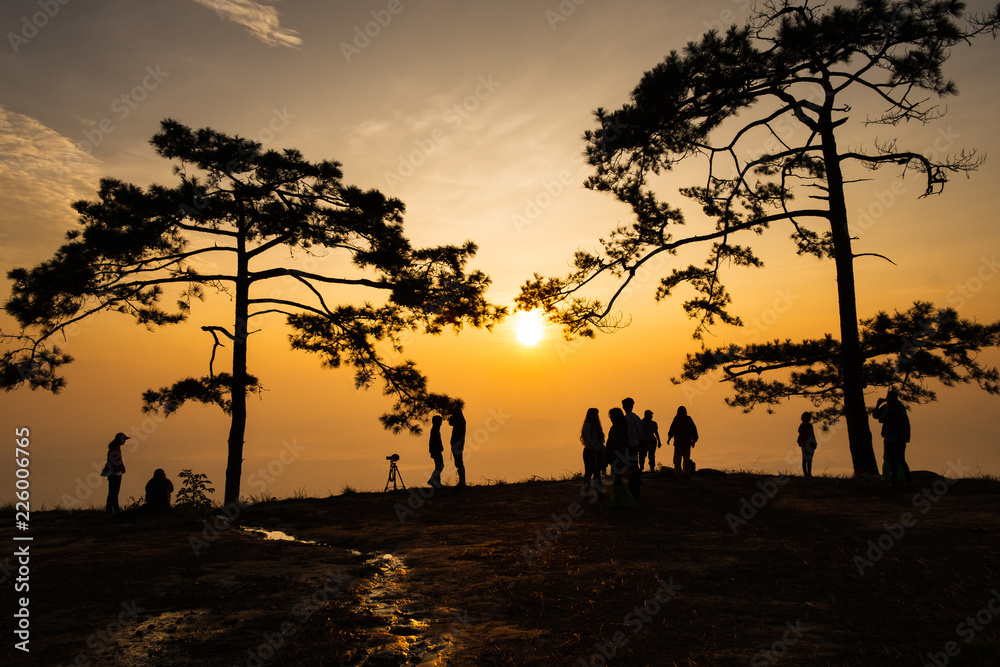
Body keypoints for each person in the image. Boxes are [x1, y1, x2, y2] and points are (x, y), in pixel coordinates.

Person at [873, 389, 912, 487]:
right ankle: (908, 481)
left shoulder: (891, 410)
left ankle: (894, 482)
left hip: (891, 438)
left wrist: (878, 405)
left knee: (893, 460)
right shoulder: (901, 408)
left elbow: (880, 419)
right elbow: (876, 416)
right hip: (901, 439)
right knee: (901, 460)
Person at [605, 408, 634, 508]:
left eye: (612, 416)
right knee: (615, 479)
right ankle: (618, 501)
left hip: (618, 457)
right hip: (615, 456)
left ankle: (627, 500)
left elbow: (622, 445)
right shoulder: (616, 428)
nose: (611, 418)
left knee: (617, 480)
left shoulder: (620, 429)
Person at [100, 432, 129, 513]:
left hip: (115, 473)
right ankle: (110, 510)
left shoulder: (115, 448)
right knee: (113, 492)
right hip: (114, 473)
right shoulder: (114, 449)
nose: (125, 441)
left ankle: (115, 509)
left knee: (114, 492)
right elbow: (113, 462)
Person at [667, 407, 699, 478]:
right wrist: (694, 441)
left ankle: (678, 474)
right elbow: (694, 430)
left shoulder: (677, 419)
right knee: (686, 459)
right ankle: (686, 474)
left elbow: (672, 429)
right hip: (687, 443)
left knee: (677, 460)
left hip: (678, 443)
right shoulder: (688, 419)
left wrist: (669, 438)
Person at [621, 398, 643, 499]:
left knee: (631, 468)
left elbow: (625, 434)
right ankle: (636, 489)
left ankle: (633, 490)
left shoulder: (626, 418)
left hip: (630, 446)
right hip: (637, 444)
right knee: (635, 466)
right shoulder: (637, 417)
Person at [580, 408, 605, 492]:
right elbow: (589, 439)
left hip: (596, 451)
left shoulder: (595, 426)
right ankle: (586, 492)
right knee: (589, 472)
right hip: (590, 452)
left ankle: (598, 491)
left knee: (597, 472)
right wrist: (596, 449)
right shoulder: (587, 425)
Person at [449, 406, 467, 488]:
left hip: (457, 444)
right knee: (458, 462)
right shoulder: (461, 420)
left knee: (459, 462)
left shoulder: (459, 421)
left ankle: (462, 482)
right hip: (458, 443)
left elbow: (451, 422)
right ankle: (462, 481)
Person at [797, 412, 817, 478]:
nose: (809, 418)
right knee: (805, 459)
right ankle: (805, 475)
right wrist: (803, 445)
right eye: (807, 417)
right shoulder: (802, 426)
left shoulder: (810, 426)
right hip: (804, 443)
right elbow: (801, 437)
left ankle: (809, 474)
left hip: (810, 443)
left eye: (809, 417)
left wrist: (814, 442)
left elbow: (812, 434)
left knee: (810, 459)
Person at [428, 415, 445, 489]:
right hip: (436, 451)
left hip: (436, 450)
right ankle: (432, 480)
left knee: (438, 466)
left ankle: (438, 483)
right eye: (440, 422)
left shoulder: (435, 429)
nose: (441, 423)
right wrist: (432, 451)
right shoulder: (435, 430)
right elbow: (433, 442)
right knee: (440, 466)